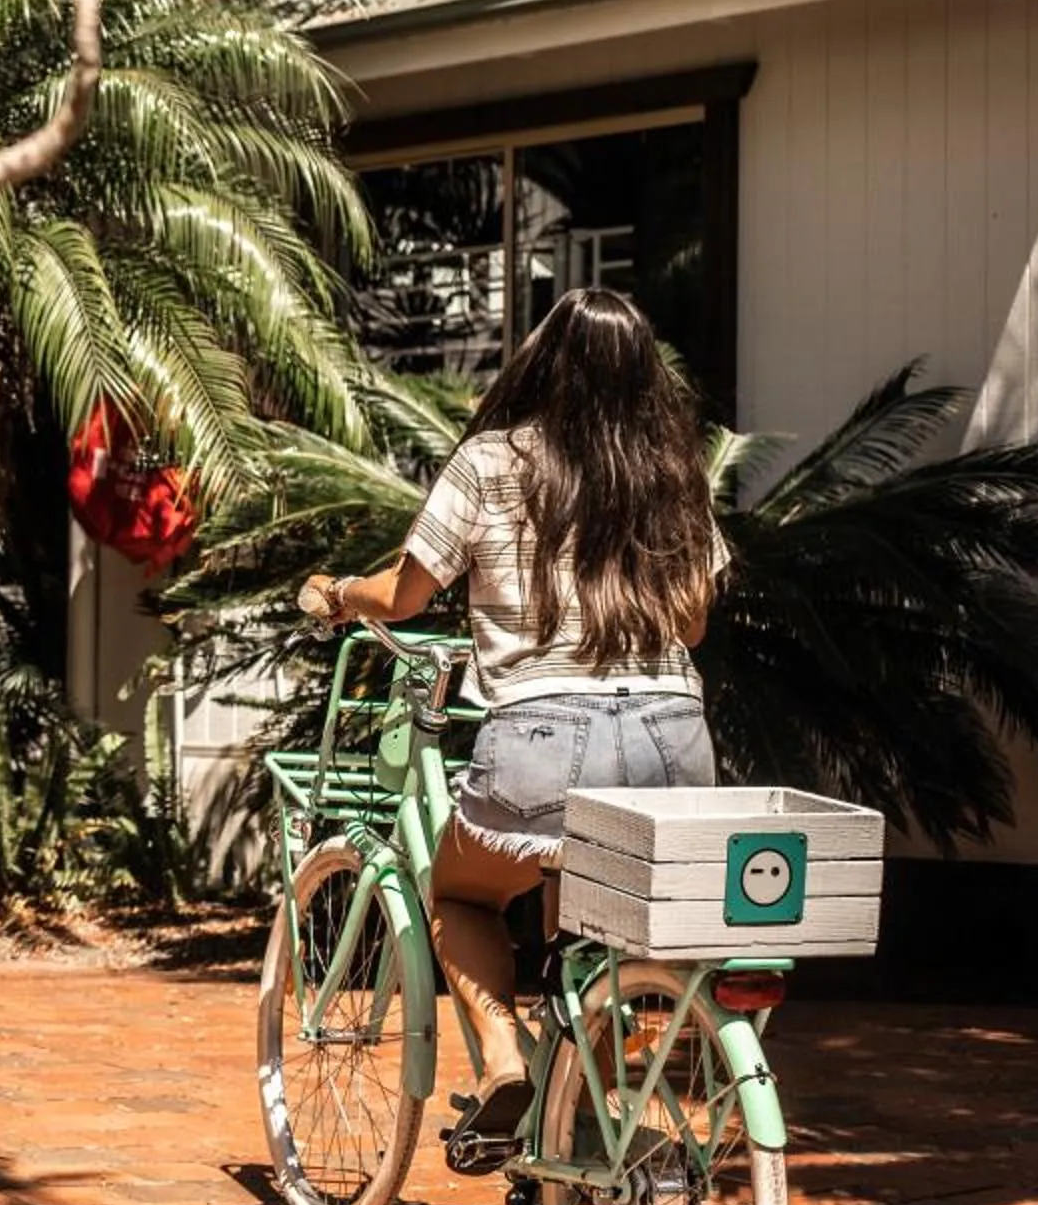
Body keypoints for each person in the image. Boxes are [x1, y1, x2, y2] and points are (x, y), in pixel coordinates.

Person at [302, 288, 726, 1144]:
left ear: (543, 359)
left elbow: (406, 593)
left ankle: (504, 1064)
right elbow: (692, 623)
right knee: (605, 921)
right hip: (673, 737)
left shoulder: (493, 460)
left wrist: (337, 595)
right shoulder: (673, 473)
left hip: (543, 732)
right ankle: (590, 1110)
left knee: (458, 891)